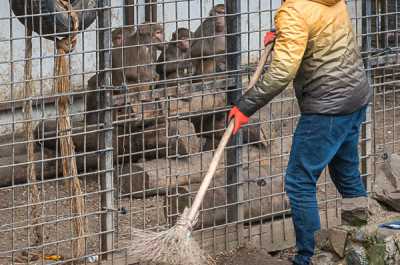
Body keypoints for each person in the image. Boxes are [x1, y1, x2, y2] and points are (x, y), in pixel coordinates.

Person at [228, 0, 371, 264]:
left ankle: (310, 257)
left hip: (327, 108)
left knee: (299, 181)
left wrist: (246, 105)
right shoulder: (332, 1)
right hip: (355, 96)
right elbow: (320, 34)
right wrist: (284, 36)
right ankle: (366, 240)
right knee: (347, 172)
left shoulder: (293, 10)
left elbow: (282, 72)